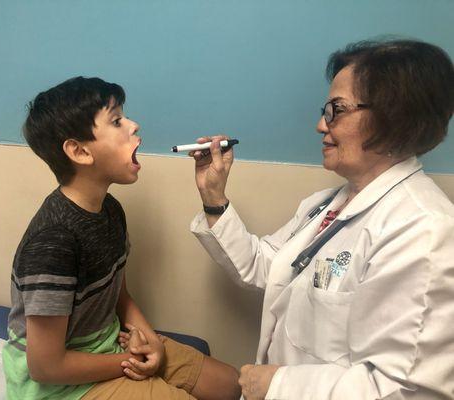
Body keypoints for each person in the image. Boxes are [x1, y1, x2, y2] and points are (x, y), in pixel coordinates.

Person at [189, 39, 454, 399]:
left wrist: (276, 384)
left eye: (336, 110)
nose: (319, 125)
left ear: (394, 117)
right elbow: (265, 268)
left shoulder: (423, 231)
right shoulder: (327, 204)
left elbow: (406, 390)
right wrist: (213, 196)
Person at [2, 76, 241, 400]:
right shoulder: (53, 243)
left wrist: (150, 340)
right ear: (80, 151)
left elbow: (120, 297)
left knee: (232, 385)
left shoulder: (110, 211)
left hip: (108, 343)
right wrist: (130, 361)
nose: (133, 125)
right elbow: (45, 367)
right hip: (59, 388)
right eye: (116, 121)